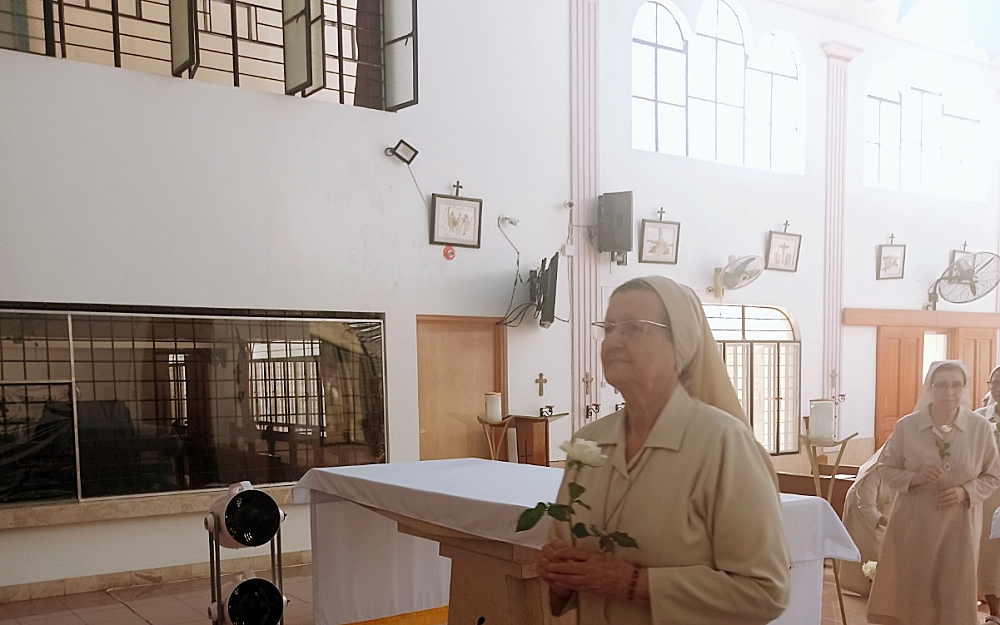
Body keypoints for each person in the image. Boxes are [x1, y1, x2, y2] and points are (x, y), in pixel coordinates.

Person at [535, 276, 791, 624]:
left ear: (680, 344)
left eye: (633, 328)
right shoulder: (587, 443)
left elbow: (766, 591)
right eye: (608, 328)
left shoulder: (723, 444)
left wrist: (635, 584)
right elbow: (565, 557)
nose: (613, 341)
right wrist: (560, 573)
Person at [867, 360, 1000, 625]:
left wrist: (965, 491)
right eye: (941, 386)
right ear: (930, 388)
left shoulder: (980, 428)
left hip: (958, 522)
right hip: (914, 520)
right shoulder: (907, 426)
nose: (949, 392)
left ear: (964, 388)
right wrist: (914, 478)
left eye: (956, 385)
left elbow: (992, 475)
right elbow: (885, 468)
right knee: (915, 581)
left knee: (953, 583)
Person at [839, 446, 893, 597]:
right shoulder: (874, 472)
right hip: (861, 510)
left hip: (883, 509)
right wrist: (885, 521)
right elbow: (866, 505)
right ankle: (862, 587)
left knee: (883, 546)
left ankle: (881, 588)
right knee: (870, 546)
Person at [977, 365, 1000, 624]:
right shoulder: (979, 418)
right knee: (988, 553)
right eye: (995, 382)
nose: (999, 388)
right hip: (987, 495)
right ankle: (995, 612)